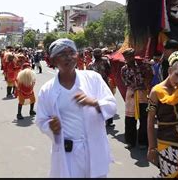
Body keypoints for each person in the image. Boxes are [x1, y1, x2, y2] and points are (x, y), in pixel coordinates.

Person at [36, 38, 117, 178]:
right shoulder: (47, 90)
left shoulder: (93, 78)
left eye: (71, 52)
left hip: (94, 150)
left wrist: (95, 103)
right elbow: (41, 120)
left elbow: (111, 105)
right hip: (68, 155)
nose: (68, 57)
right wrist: (51, 126)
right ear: (54, 60)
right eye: (62, 54)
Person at [147, 51, 178, 178]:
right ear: (170, 70)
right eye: (177, 75)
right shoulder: (156, 91)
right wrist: (152, 148)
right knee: (170, 175)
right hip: (166, 141)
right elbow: (150, 122)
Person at [121, 48, 152, 150]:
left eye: (130, 56)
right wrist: (134, 87)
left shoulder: (143, 66)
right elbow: (125, 81)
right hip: (131, 95)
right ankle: (130, 141)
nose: (128, 58)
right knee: (130, 119)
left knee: (144, 119)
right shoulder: (124, 69)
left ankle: (143, 141)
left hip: (143, 94)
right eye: (126, 57)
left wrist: (145, 84)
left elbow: (149, 76)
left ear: (133, 56)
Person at [87, 48, 114, 127]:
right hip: (95, 87)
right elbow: (89, 77)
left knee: (107, 102)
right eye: (95, 54)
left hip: (105, 84)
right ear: (93, 55)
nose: (97, 55)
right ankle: (101, 120)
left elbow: (109, 70)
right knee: (98, 103)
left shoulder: (105, 61)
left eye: (98, 53)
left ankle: (110, 121)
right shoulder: (90, 65)